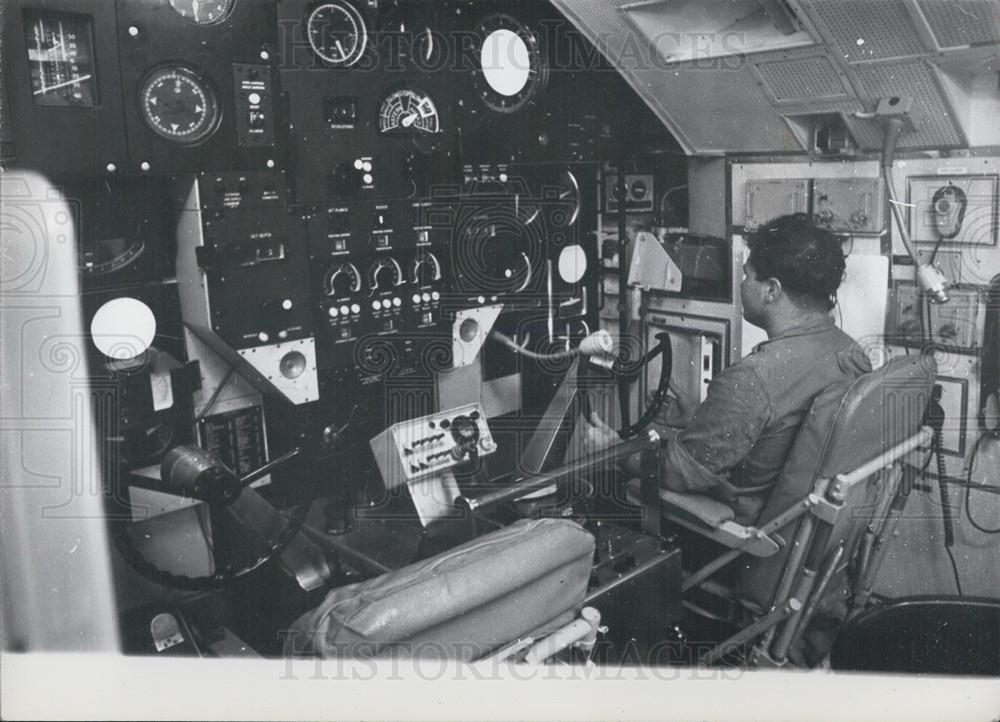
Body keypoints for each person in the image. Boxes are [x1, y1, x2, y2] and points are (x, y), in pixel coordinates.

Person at [586, 213, 873, 524]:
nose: (743, 283)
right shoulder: (852, 354)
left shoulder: (753, 378)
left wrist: (616, 449)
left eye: (748, 275)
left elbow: (675, 474)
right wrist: (700, 416)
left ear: (771, 290)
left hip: (734, 539)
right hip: (806, 537)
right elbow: (777, 433)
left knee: (602, 495)